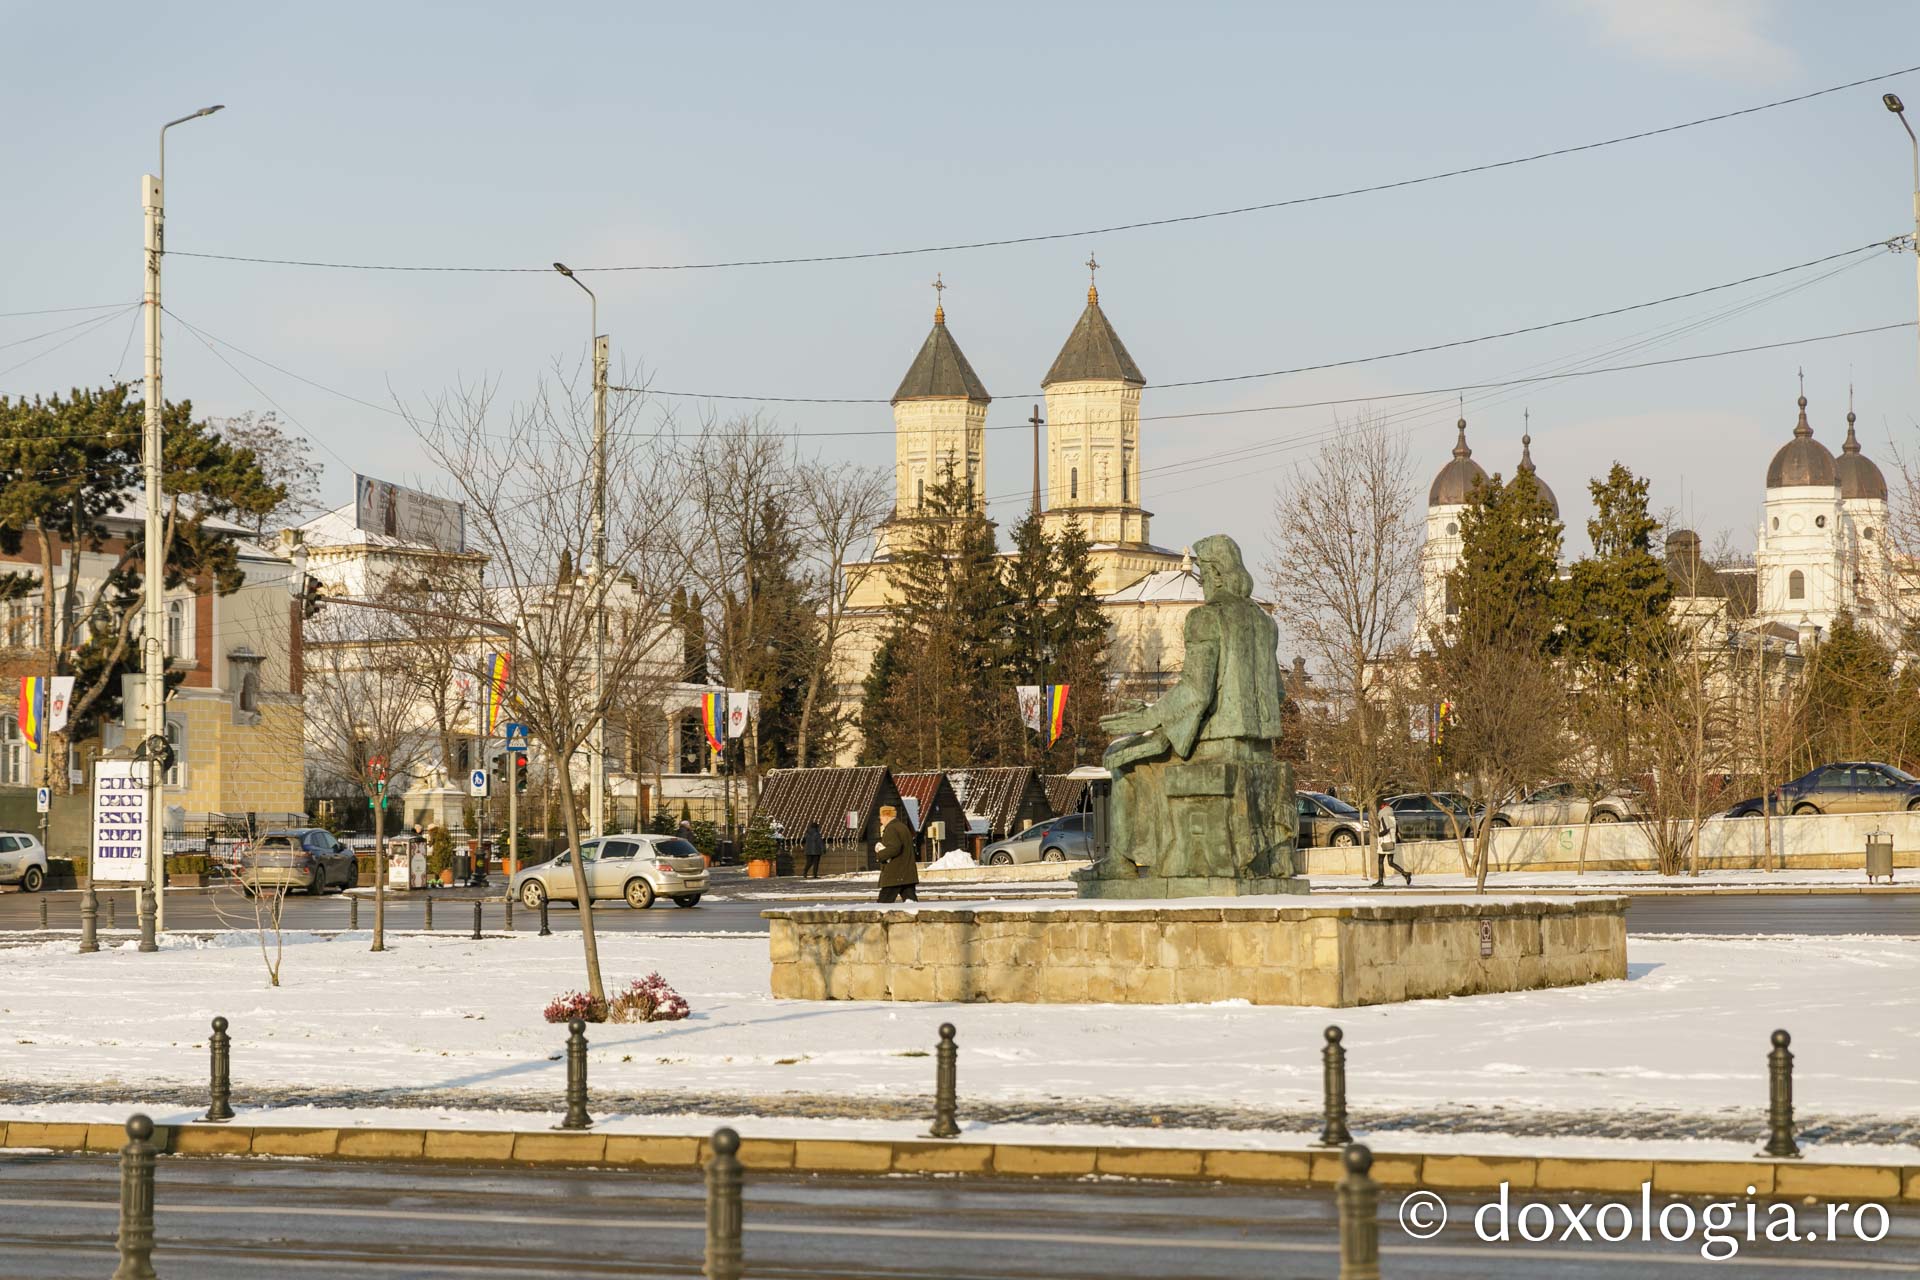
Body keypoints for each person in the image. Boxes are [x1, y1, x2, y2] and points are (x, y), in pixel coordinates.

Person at [873, 804, 919, 903]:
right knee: (911, 905)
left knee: (883, 905)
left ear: (886, 816)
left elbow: (894, 848)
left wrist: (880, 854)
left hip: (894, 874)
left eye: (881, 817)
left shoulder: (891, 829)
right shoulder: (902, 827)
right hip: (907, 874)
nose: (880, 820)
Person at [1373, 799, 1412, 888]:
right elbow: (1396, 829)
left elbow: (1386, 829)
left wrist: (1379, 834)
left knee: (1380, 861)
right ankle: (1405, 873)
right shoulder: (1392, 815)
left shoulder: (1383, 815)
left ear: (1382, 807)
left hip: (1384, 841)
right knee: (1390, 862)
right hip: (1392, 841)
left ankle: (1380, 881)